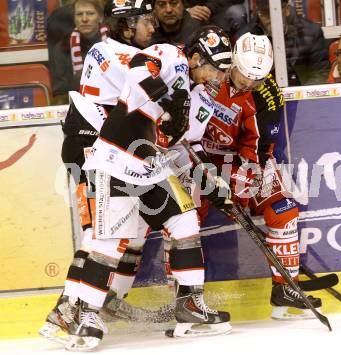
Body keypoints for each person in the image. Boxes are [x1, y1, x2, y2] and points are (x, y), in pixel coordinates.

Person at [56, 24, 232, 350]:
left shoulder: (198, 96)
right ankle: (87, 318)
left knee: (184, 220)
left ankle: (190, 305)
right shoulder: (172, 56)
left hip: (151, 166)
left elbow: (183, 145)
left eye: (223, 70)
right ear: (195, 57)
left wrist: (210, 179)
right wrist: (167, 96)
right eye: (214, 67)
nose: (218, 76)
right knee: (111, 242)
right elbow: (139, 65)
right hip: (116, 157)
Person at [39, 0, 171, 348]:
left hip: (99, 148)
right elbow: (155, 92)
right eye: (144, 21)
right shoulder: (121, 54)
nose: (151, 27)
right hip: (90, 147)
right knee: (102, 234)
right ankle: (70, 310)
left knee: (133, 229)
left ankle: (101, 300)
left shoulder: (106, 48)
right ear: (127, 25)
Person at [197, 32, 322, 320]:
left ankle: (284, 290)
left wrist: (239, 185)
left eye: (258, 79)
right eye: (243, 74)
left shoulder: (266, 95)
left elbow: (261, 149)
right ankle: (186, 299)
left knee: (283, 209)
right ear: (232, 63)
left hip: (241, 160)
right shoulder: (207, 70)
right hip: (194, 160)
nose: (249, 83)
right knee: (182, 222)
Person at [239, 0, 329, 86]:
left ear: (286, 10)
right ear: (258, 12)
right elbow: (244, 74)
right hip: (266, 95)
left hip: (302, 93)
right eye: (265, 13)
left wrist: (302, 95)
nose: (270, 19)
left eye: (275, 12)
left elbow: (320, 73)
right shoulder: (247, 36)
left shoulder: (311, 32)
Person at [48, 0, 108, 104]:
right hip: (78, 105)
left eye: (90, 13)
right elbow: (60, 91)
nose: (84, 19)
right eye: (79, 14)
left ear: (100, 17)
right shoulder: (62, 48)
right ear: (74, 19)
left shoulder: (114, 41)